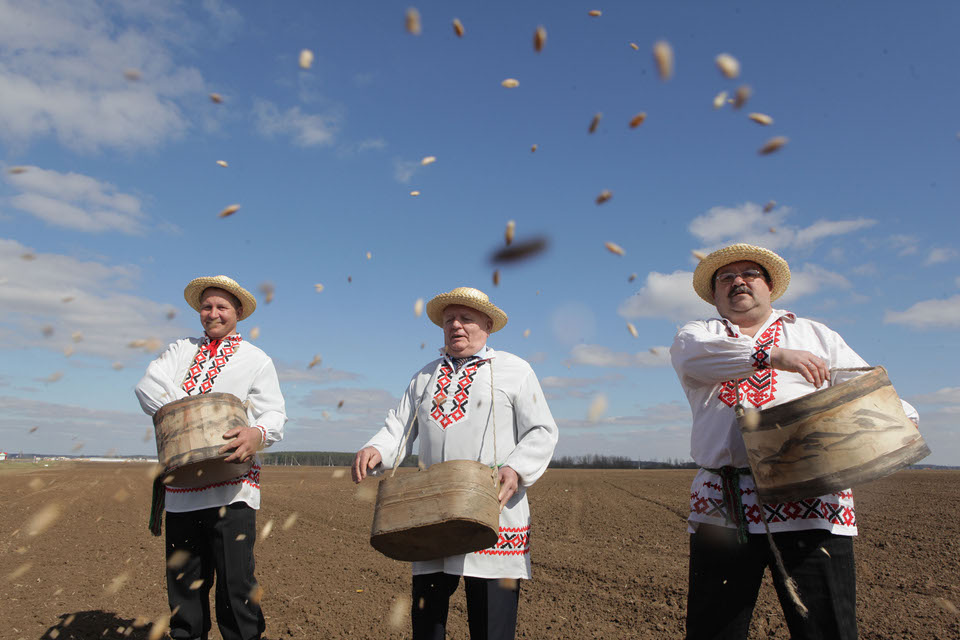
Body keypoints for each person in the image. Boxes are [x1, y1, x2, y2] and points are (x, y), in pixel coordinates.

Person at [669, 244, 919, 640]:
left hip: (812, 498)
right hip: (724, 503)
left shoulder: (815, 334)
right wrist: (772, 355)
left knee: (826, 629)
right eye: (726, 278)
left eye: (750, 274)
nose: (739, 281)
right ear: (715, 297)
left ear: (769, 287)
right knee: (713, 631)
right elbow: (694, 358)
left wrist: (899, 416)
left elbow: (858, 388)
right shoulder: (699, 334)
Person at [352, 286, 559, 640]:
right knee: (428, 626)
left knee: (491, 627)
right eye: (449, 320)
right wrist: (376, 448)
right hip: (430, 515)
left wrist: (517, 467)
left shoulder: (515, 370)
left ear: (488, 324)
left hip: (495, 510)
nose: (456, 326)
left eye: (466, 318)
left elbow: (542, 429)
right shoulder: (423, 377)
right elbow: (398, 428)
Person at [135, 275, 286, 640]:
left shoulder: (256, 359)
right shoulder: (179, 351)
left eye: (222, 307)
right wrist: (192, 412)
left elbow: (274, 415)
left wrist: (256, 433)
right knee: (184, 591)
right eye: (207, 306)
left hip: (232, 490)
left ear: (237, 313)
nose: (213, 313)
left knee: (237, 589)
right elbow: (148, 385)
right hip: (182, 490)